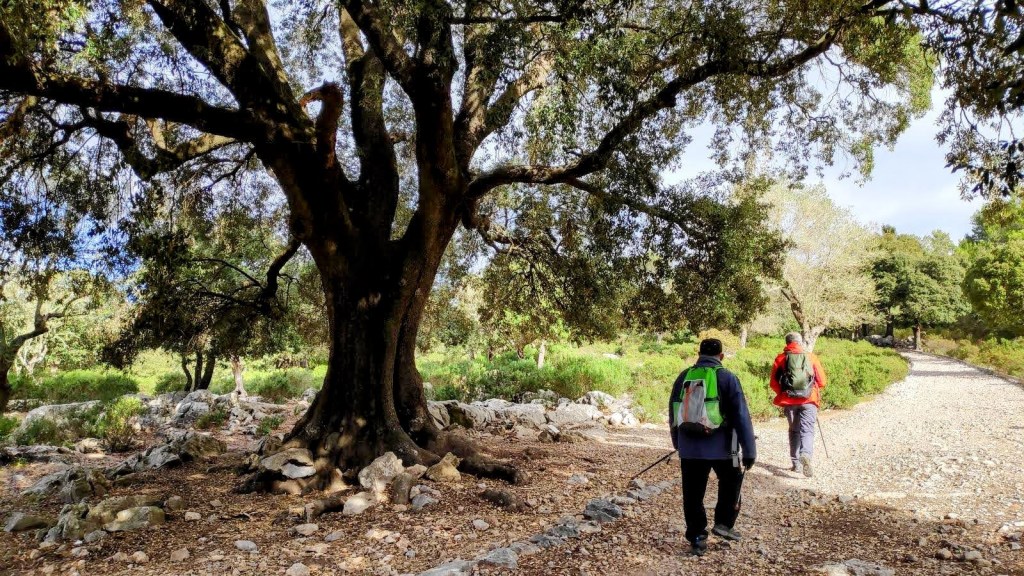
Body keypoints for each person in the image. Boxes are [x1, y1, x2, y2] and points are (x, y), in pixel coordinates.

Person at [669, 338, 756, 557]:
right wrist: (750, 450)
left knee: (692, 494)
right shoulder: (727, 377)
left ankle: (697, 538)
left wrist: (678, 443)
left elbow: (673, 412)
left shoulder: (683, 377)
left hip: (690, 449)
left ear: (698, 354)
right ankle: (724, 523)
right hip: (724, 448)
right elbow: (741, 416)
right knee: (732, 482)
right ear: (721, 356)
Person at [769, 332, 827, 478]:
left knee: (794, 431)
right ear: (800, 342)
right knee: (807, 430)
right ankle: (805, 454)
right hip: (809, 400)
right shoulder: (811, 357)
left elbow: (773, 383)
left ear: (787, 342)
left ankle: (796, 464)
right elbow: (822, 382)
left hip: (789, 401)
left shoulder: (781, 358)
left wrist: (785, 392)